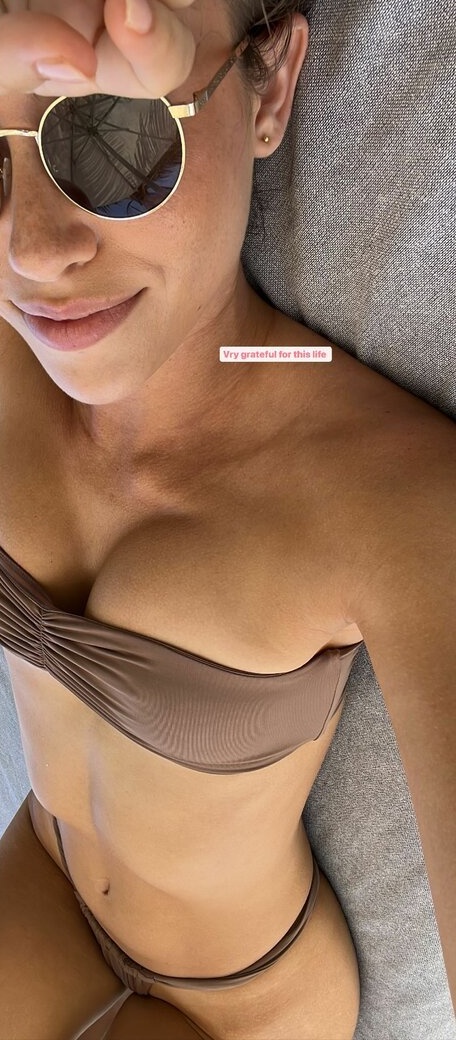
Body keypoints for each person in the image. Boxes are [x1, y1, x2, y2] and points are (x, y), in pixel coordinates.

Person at [0, 2, 454, 1038]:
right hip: (44, 877)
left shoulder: (389, 495)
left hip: (237, 1002)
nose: (31, 251)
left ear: (272, 84)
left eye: (110, 131)